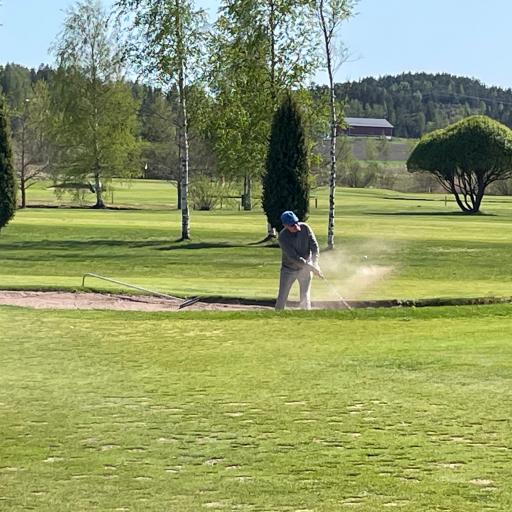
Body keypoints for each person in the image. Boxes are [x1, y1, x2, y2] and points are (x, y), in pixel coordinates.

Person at [275, 210, 323, 310]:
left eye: (296, 222)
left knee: (305, 296)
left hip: (306, 268)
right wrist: (311, 268)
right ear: (285, 225)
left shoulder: (305, 228)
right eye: (292, 225)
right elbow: (294, 258)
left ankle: (306, 318)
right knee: (282, 296)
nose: (296, 226)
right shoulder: (282, 237)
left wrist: (315, 263)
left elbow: (315, 247)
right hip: (288, 269)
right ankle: (277, 316)